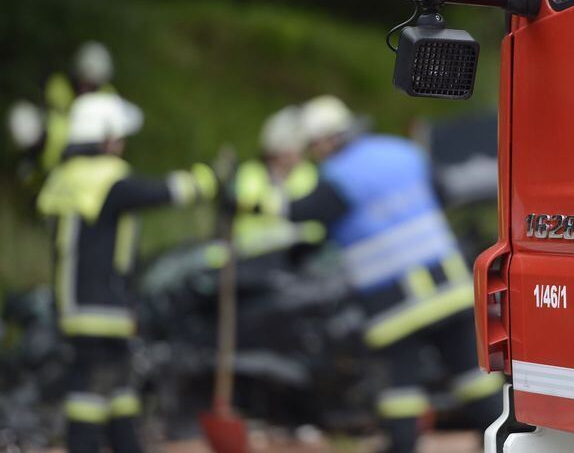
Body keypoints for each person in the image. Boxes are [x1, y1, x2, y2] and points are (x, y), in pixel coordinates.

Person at [264, 95, 504, 452]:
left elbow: (300, 213)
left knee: (401, 389)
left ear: (325, 141)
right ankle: (498, 439)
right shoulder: (401, 150)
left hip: (394, 301)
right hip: (447, 286)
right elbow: (443, 193)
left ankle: (402, 446)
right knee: (473, 377)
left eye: (314, 146)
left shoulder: (336, 176)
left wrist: (275, 186)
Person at [36, 93, 218, 453]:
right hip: (102, 305)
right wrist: (209, 181)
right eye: (118, 137)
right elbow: (163, 191)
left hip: (72, 302)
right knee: (89, 392)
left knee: (118, 387)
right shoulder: (108, 179)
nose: (121, 145)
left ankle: (127, 445)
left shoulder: (63, 179)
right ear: (105, 137)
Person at [230, 105, 325, 264]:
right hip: (252, 255)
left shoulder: (309, 174)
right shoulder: (251, 172)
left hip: (298, 257)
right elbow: (246, 202)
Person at [42, 41, 117, 173]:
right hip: (56, 155)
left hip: (92, 159)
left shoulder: (108, 95)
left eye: (92, 84)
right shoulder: (59, 86)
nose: (86, 88)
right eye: (84, 81)